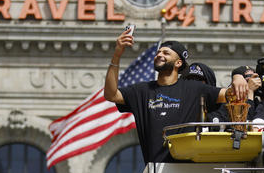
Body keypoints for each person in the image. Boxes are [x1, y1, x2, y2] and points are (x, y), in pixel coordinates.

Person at [104, 28, 248, 163]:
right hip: (154, 170)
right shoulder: (142, 90)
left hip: (187, 170)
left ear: (178, 62)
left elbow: (232, 95)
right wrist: (117, 54)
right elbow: (111, 94)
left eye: (166, 53)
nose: (159, 55)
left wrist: (237, 76)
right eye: (158, 52)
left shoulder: (194, 89)